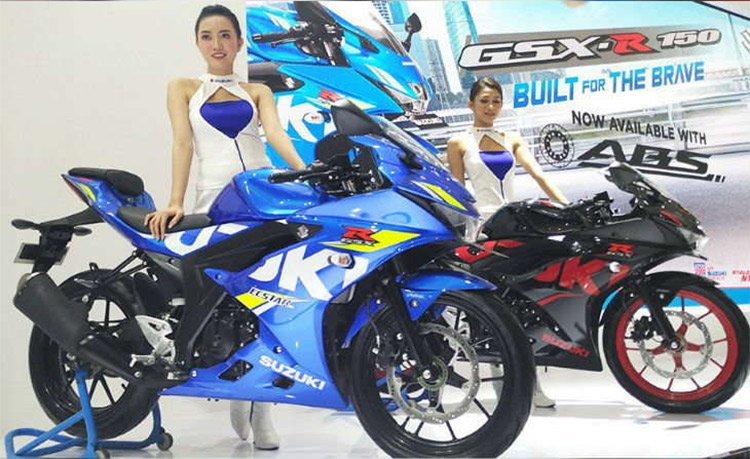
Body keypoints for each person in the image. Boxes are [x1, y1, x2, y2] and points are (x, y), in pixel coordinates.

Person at [144, 4, 305, 449]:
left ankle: (263, 406)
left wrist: (306, 175)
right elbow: (182, 143)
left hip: (263, 198)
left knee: (269, 302)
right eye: (207, 36)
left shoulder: (258, 91)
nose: (217, 44)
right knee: (225, 303)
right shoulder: (182, 87)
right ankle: (237, 388)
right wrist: (175, 202)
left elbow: (276, 136)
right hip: (215, 202)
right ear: (198, 43)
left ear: (239, 41)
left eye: (225, 35)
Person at [447, 77, 569, 408]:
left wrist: (567, 207)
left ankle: (532, 385)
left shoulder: (512, 139)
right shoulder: (458, 142)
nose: (491, 107)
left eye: (496, 101)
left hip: (515, 227)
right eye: (484, 101)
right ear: (471, 104)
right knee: (490, 310)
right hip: (482, 231)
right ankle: (502, 388)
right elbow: (457, 191)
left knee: (526, 308)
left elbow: (540, 175)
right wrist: (463, 233)